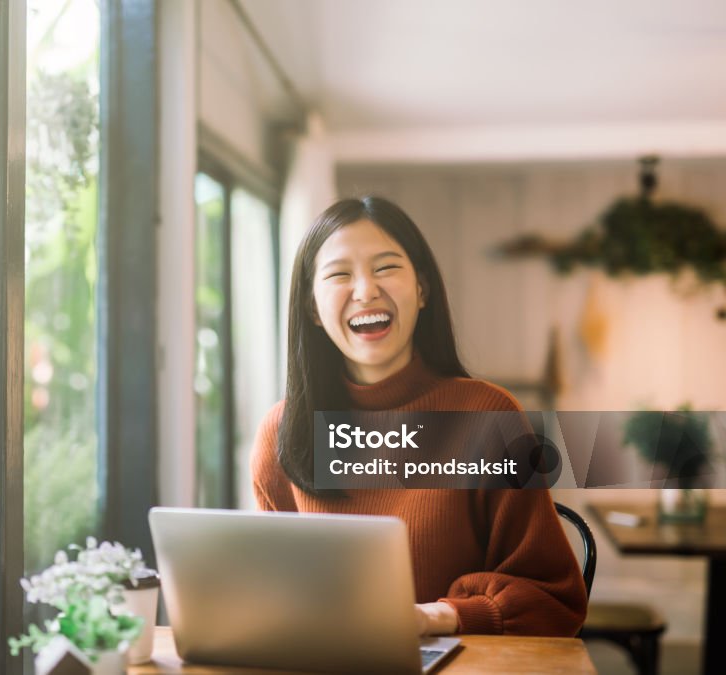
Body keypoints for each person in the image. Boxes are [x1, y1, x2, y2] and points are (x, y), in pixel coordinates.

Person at [251, 196, 587, 637]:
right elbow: (276, 588)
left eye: (386, 267)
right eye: (338, 274)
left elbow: (554, 600)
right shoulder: (283, 431)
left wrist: (437, 616)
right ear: (313, 309)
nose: (366, 290)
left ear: (423, 290)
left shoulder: (488, 417)